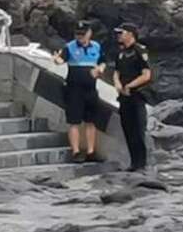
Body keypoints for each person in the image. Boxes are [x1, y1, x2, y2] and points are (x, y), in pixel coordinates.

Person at [52, 21, 106, 163]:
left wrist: (100, 69)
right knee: (74, 121)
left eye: (83, 34)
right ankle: (76, 151)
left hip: (90, 89)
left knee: (91, 121)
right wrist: (56, 59)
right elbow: (60, 59)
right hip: (74, 89)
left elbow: (103, 61)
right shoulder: (70, 47)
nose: (80, 37)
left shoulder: (96, 46)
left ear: (89, 33)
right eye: (78, 34)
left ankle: (90, 151)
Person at [113, 22, 152, 172]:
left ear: (130, 34)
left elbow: (147, 74)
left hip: (137, 95)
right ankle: (133, 162)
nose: (118, 36)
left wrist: (130, 85)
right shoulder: (121, 52)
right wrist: (117, 83)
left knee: (138, 129)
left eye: (121, 33)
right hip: (123, 97)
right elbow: (116, 71)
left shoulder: (139, 50)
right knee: (128, 130)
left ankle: (141, 163)